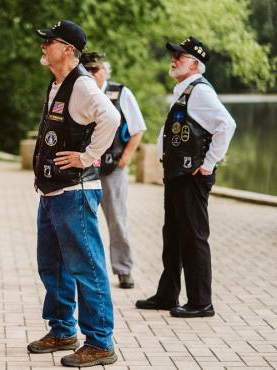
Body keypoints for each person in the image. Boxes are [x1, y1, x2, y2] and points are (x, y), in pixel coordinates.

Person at [26, 20, 120, 367]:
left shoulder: (81, 85)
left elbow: (110, 117)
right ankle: (63, 329)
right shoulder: (57, 82)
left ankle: (100, 342)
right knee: (53, 265)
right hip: (53, 192)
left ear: (67, 49)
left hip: (75, 193)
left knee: (87, 267)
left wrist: (85, 156)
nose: (43, 46)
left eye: (49, 41)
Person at [135, 36, 236, 318]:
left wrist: (208, 163)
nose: (174, 59)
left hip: (191, 177)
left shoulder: (200, 92)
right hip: (177, 174)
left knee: (193, 238)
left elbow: (226, 125)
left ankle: (201, 302)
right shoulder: (186, 90)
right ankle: (168, 295)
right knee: (173, 236)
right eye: (174, 54)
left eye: (179, 56)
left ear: (194, 63)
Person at [81, 52, 147, 289]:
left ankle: (124, 270)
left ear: (104, 71)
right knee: (82, 222)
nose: (91, 74)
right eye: (86, 69)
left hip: (113, 168)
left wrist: (126, 157)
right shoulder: (81, 93)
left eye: (95, 70)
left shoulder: (120, 93)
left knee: (117, 220)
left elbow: (138, 128)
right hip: (85, 168)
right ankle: (87, 272)